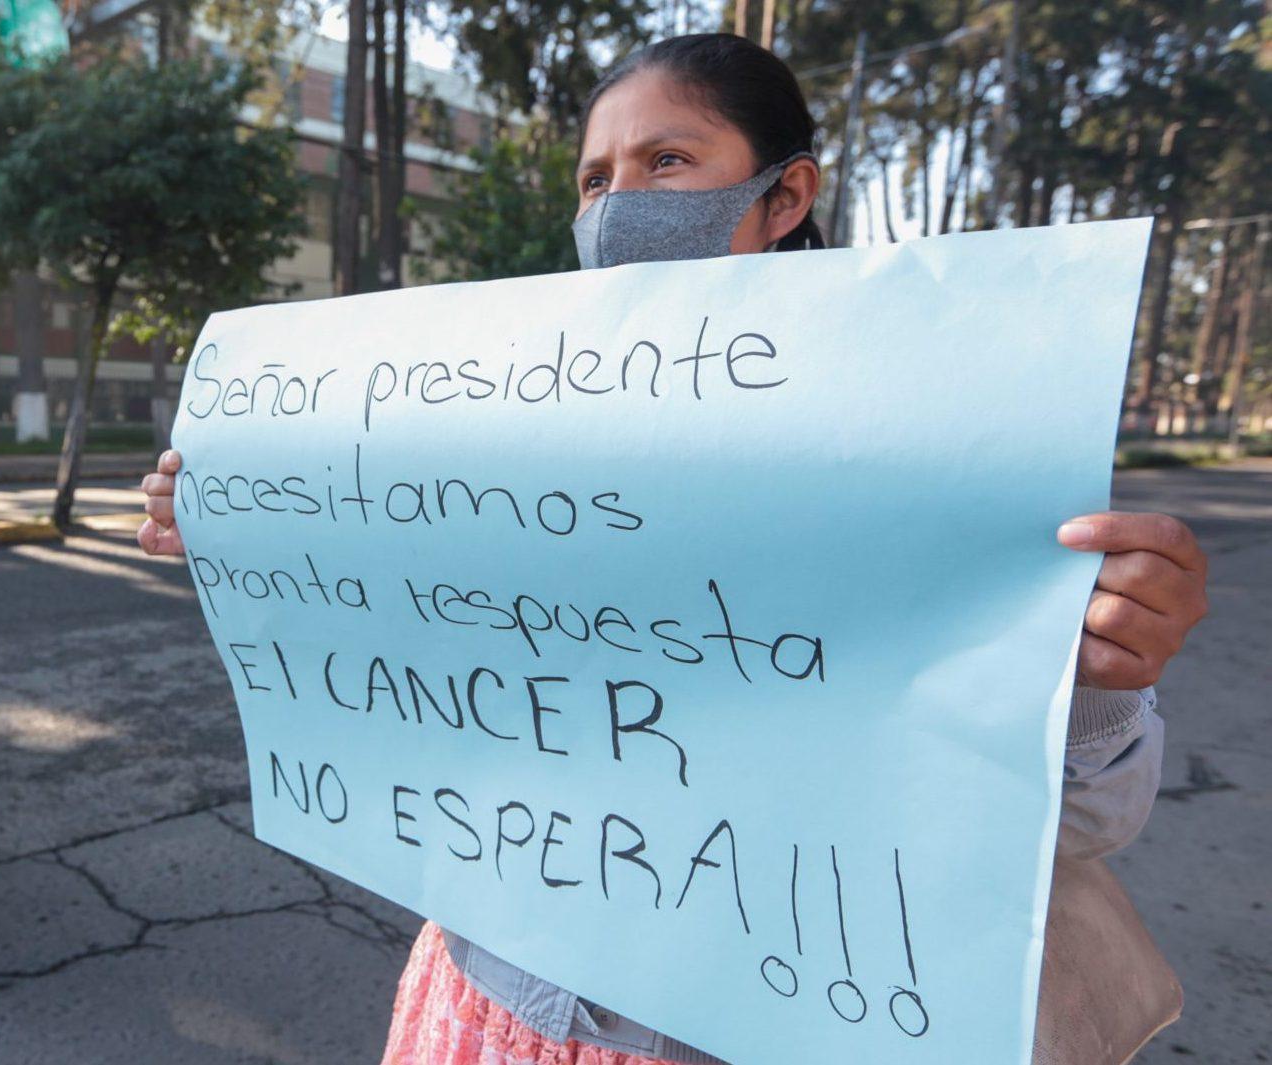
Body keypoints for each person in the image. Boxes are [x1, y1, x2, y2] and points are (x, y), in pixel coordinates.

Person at [137, 34, 1212, 1065]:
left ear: (784, 196)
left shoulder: (933, 451)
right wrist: (249, 528)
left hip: (744, 1027)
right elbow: (410, 660)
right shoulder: (495, 437)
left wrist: (1098, 678)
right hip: (487, 998)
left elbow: (1081, 820)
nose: (617, 206)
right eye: (594, 179)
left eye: (666, 161)